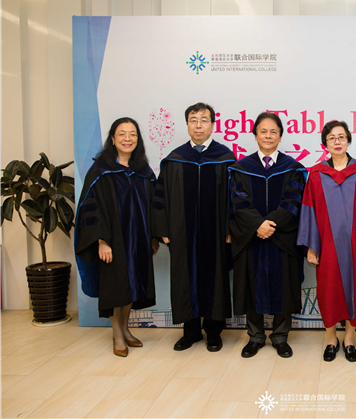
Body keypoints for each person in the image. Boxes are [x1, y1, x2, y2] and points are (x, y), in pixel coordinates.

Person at [152, 103, 236, 352]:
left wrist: (230, 227)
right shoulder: (174, 159)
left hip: (216, 233)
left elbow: (235, 197)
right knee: (184, 279)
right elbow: (160, 196)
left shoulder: (225, 158)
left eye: (204, 120)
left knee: (214, 278)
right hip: (182, 232)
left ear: (213, 125)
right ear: (187, 124)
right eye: (193, 120)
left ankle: (213, 332)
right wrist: (163, 228)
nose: (199, 125)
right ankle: (190, 332)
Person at [75, 117, 158, 357]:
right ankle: (117, 334)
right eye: (122, 134)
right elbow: (91, 208)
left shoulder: (143, 171)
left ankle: (126, 328)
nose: (127, 139)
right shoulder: (100, 171)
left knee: (132, 284)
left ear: (138, 139)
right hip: (112, 241)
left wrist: (153, 236)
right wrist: (102, 241)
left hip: (138, 240)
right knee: (115, 286)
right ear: (112, 139)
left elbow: (153, 206)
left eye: (132, 134)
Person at [297, 121, 356, 362]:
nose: (337, 142)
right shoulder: (316, 174)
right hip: (327, 246)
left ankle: (349, 340)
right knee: (328, 291)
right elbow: (309, 210)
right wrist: (312, 246)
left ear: (348, 140)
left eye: (341, 137)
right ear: (325, 143)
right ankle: (331, 339)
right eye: (332, 138)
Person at [229, 112, 307, 359]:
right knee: (251, 288)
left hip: (281, 239)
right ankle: (255, 337)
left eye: (273, 132)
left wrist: (269, 225)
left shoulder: (293, 168)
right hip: (252, 239)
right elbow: (238, 201)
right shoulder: (241, 168)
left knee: (284, 287)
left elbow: (293, 201)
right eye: (263, 131)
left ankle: (281, 337)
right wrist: (257, 225)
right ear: (255, 136)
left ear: (280, 137)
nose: (268, 136)